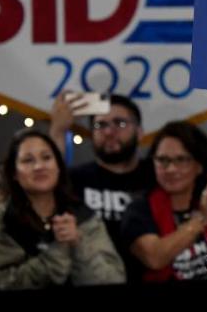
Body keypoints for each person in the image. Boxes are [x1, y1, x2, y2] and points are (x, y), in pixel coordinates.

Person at [0, 130, 124, 289]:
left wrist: (77, 244)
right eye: (28, 160)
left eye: (46, 158)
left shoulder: (84, 216)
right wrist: (57, 251)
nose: (39, 166)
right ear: (14, 173)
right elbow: (4, 284)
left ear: (58, 167)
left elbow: (113, 279)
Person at [120, 121, 207, 282]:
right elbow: (155, 258)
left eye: (181, 160)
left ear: (199, 166)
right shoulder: (139, 209)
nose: (171, 169)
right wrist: (201, 218)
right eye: (162, 160)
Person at [49, 92, 154, 282]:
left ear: (140, 132)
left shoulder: (158, 176)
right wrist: (57, 130)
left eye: (120, 123)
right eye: (100, 125)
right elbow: (48, 182)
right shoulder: (75, 179)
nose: (109, 131)